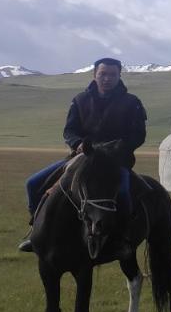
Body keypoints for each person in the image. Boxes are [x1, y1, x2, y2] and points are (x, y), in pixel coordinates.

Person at [18, 57, 146, 253]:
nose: (107, 78)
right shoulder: (80, 100)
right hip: (81, 158)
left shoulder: (131, 103)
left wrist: (114, 148)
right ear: (94, 75)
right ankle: (37, 233)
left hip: (115, 161)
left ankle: (122, 238)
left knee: (123, 192)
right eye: (103, 74)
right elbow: (69, 130)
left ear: (119, 76)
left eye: (112, 74)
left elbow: (138, 135)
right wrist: (77, 143)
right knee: (32, 184)